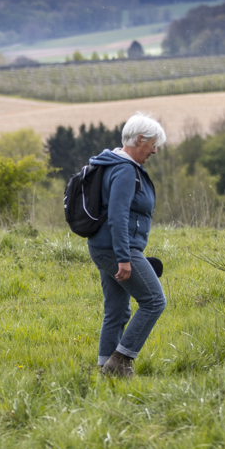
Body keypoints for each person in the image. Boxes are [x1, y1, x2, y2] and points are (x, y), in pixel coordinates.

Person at [86, 113, 167, 378]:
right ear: (140, 139)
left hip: (103, 247)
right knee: (154, 301)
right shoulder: (123, 169)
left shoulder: (112, 163)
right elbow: (118, 216)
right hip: (117, 249)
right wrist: (124, 257)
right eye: (152, 144)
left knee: (117, 310)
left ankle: (104, 368)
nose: (154, 150)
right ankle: (120, 361)